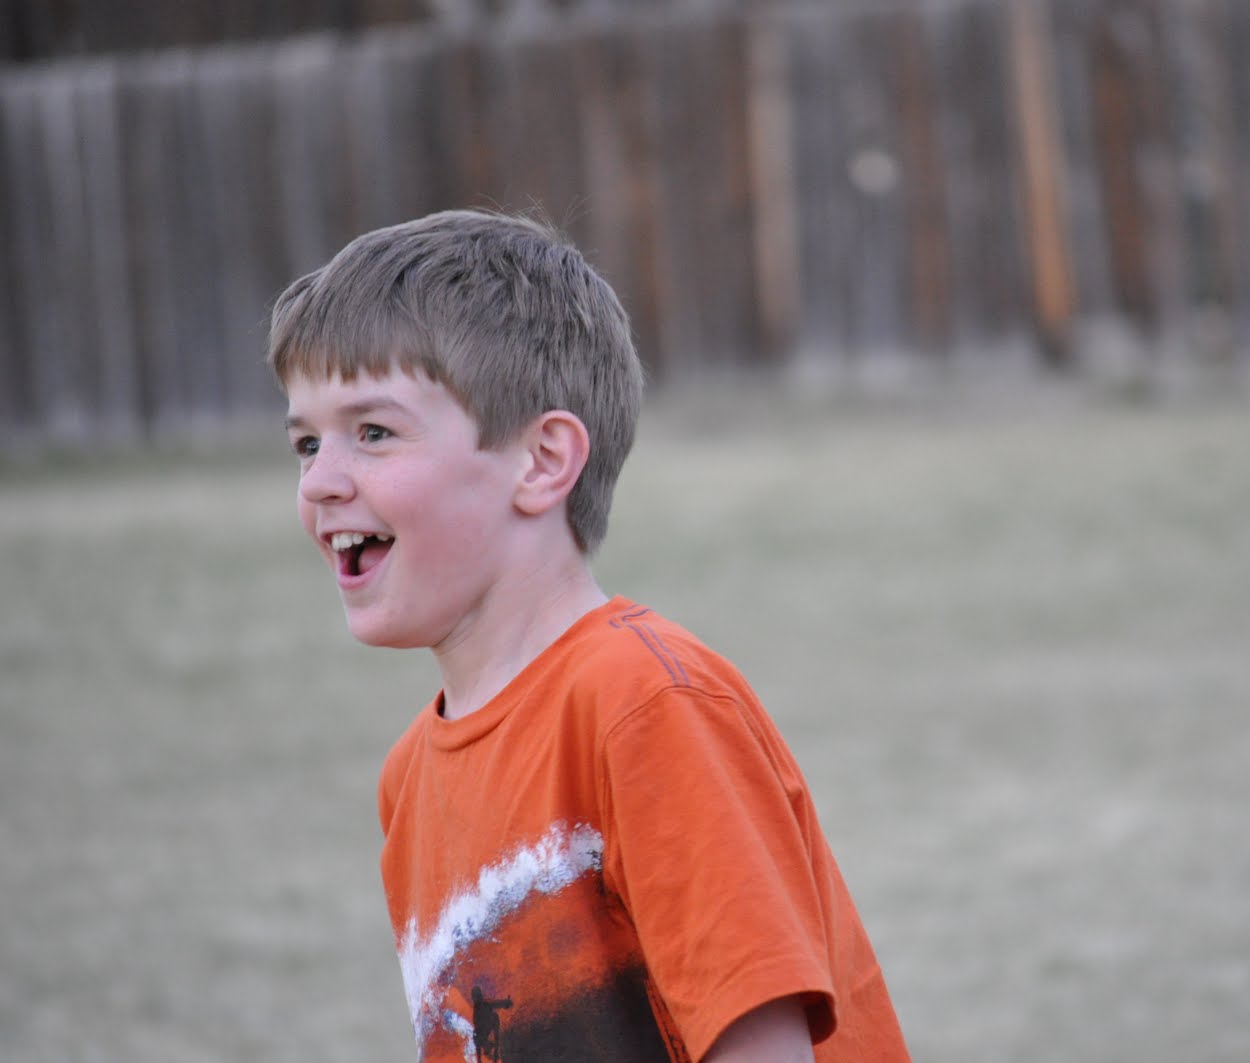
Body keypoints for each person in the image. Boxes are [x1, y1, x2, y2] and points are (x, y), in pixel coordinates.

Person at [269, 209, 911, 1063]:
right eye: (306, 443)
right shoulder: (408, 780)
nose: (320, 481)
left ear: (541, 462)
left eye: (373, 432)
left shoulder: (644, 705)